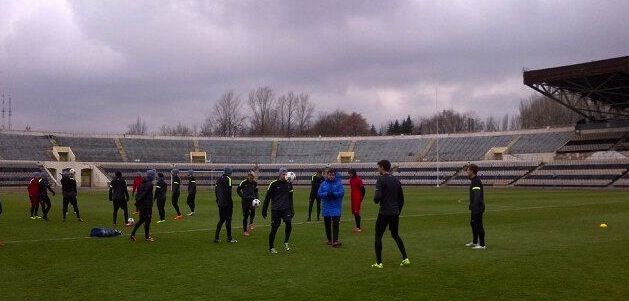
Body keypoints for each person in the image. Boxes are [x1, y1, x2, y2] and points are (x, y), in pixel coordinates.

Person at [371, 159, 410, 269]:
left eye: (378, 167)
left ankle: (379, 263)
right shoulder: (396, 180)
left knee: (378, 235)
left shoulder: (380, 179)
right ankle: (405, 258)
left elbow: (377, 197)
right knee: (395, 235)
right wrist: (397, 212)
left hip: (384, 212)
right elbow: (401, 199)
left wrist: (376, 200)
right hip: (394, 212)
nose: (377, 169)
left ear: (382, 167)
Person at [262, 168, 294, 254]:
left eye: (286, 174)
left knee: (289, 223)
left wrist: (292, 209)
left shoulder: (289, 184)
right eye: (283, 174)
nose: (285, 176)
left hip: (286, 209)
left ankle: (286, 242)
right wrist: (264, 210)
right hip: (276, 210)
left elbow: (290, 198)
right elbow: (267, 198)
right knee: (274, 229)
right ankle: (271, 247)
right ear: (279, 175)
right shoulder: (273, 184)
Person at [318, 168, 344, 247]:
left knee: (336, 223)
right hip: (326, 207)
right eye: (330, 175)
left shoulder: (338, 183)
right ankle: (329, 240)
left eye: (333, 175)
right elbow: (319, 193)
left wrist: (334, 194)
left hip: (336, 207)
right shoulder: (323, 184)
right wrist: (326, 194)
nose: (331, 176)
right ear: (327, 175)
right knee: (327, 224)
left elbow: (341, 193)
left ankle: (335, 241)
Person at [130, 169, 156, 242]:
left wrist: (138, 203)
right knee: (147, 221)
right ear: (151, 176)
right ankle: (147, 237)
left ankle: (132, 234)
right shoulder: (149, 184)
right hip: (146, 206)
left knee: (141, 220)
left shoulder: (142, 183)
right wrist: (138, 202)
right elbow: (144, 194)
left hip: (142, 205)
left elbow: (138, 194)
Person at [465, 164, 486, 250]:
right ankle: (474, 242)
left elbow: (477, 195)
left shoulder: (476, 181)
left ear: (472, 171)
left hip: (477, 207)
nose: (467, 172)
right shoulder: (473, 180)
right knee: (473, 224)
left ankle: (482, 245)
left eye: (468, 170)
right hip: (474, 207)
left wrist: (475, 206)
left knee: (478, 225)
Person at [214, 167, 237, 243]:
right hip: (227, 203)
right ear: (230, 172)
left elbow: (216, 190)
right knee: (228, 220)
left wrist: (218, 200)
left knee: (221, 220)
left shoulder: (219, 179)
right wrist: (230, 203)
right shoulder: (228, 179)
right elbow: (228, 192)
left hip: (220, 203)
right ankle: (229, 238)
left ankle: (216, 238)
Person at [237, 171, 259, 236]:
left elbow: (256, 191)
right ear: (248, 176)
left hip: (253, 201)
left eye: (253, 177)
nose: (251, 178)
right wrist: (242, 196)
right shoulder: (243, 183)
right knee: (246, 216)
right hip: (245, 202)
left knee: (253, 213)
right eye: (251, 176)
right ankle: (245, 231)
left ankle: (251, 224)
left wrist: (257, 198)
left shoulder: (255, 183)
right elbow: (238, 189)